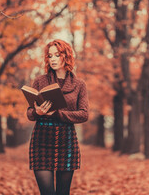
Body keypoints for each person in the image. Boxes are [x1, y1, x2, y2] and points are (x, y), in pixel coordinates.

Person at [26, 39, 89, 195]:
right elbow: (29, 112)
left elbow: (84, 114)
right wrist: (37, 112)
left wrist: (58, 113)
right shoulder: (40, 81)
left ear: (65, 56)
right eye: (50, 56)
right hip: (41, 139)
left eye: (56, 55)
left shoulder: (79, 84)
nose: (52, 59)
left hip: (66, 140)